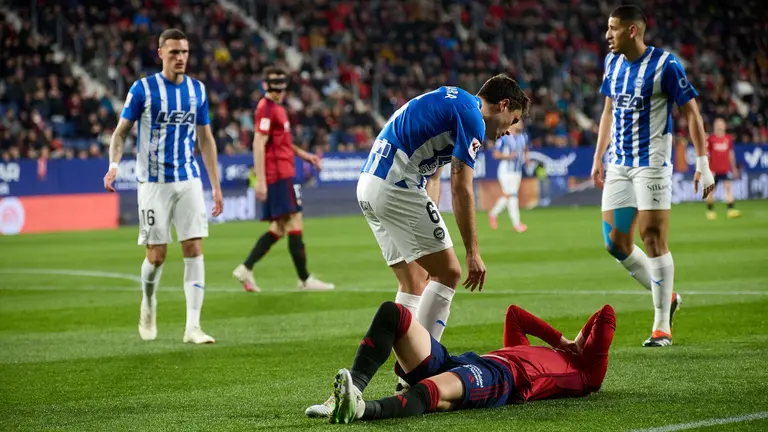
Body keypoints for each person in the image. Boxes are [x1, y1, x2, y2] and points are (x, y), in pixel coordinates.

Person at [306, 76, 529, 417]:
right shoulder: (472, 117)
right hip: (396, 185)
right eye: (513, 121)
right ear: (503, 105)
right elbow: (462, 187)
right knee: (450, 272)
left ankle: (355, 390)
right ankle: (420, 374)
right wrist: (472, 251)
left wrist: (430, 224)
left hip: (370, 185)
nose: (510, 130)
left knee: (414, 283)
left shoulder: (452, 104)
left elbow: (436, 175)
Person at [590, 5, 715, 347]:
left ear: (632, 30)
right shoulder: (611, 63)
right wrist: (599, 155)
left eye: (613, 28)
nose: (607, 34)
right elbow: (608, 110)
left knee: (652, 236)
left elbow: (692, 113)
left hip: (652, 165)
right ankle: (669, 296)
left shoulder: (666, 65)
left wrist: (702, 163)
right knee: (614, 242)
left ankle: (662, 326)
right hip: (618, 163)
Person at [103, 29, 223, 344]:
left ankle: (193, 326)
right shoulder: (143, 89)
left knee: (194, 248)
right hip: (153, 183)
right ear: (161, 54)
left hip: (188, 179)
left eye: (184, 52)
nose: (180, 58)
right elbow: (120, 133)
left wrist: (216, 185)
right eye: (174, 53)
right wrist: (114, 166)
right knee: (156, 255)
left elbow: (206, 139)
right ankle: (148, 300)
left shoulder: (197, 90)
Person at [316, 301, 615, 423]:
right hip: (465, 361)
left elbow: (606, 314)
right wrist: (561, 341)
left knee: (431, 393)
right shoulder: (536, 351)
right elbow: (514, 314)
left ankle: (361, 410)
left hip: (499, 379)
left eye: (585, 340)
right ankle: (355, 388)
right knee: (393, 313)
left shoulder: (587, 375)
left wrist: (573, 344)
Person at [232, 66, 334, 292]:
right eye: (274, 85)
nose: (279, 90)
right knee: (294, 222)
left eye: (282, 85)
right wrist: (259, 180)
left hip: (283, 171)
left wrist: (305, 156)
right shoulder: (266, 108)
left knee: (278, 227)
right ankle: (305, 279)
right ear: (265, 85)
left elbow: (283, 142)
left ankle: (246, 268)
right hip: (278, 174)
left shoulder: (277, 108)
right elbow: (259, 142)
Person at [489, 119, 529, 232]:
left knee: (509, 196)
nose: (520, 124)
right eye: (518, 122)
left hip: (517, 171)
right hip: (506, 170)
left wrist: (527, 159)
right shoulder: (504, 138)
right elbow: (495, 154)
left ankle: (493, 213)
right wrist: (508, 157)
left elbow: (525, 149)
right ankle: (517, 224)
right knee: (512, 196)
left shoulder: (524, 136)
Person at [705, 118, 741, 220]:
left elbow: (730, 153)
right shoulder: (711, 139)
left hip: (725, 168)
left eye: (722, 124)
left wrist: (733, 167)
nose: (720, 126)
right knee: (711, 191)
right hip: (713, 169)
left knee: (728, 187)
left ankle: (731, 210)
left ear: (725, 126)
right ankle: (710, 211)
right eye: (718, 124)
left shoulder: (728, 138)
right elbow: (706, 153)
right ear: (715, 126)